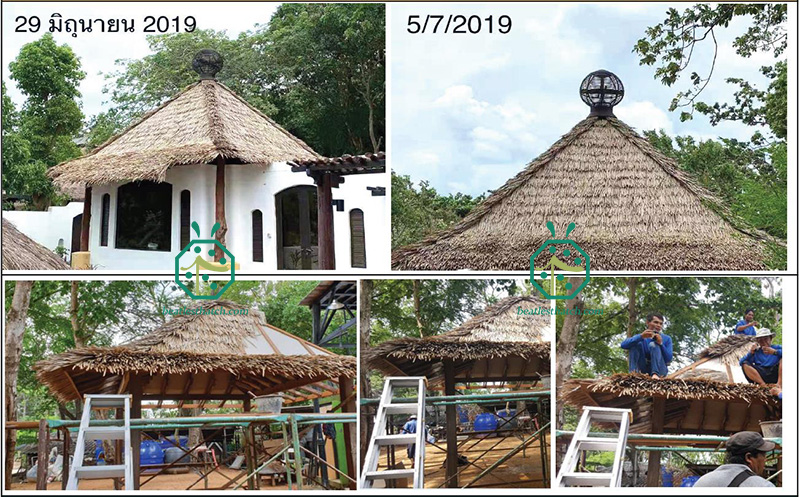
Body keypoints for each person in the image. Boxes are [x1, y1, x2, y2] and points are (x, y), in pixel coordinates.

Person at [693, 431, 776, 487]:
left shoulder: (703, 482)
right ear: (749, 457)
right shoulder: (762, 486)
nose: (765, 460)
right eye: (763, 455)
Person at [620, 313, 673, 379]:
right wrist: (641, 337)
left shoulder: (667, 338)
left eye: (661, 324)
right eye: (656, 322)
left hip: (660, 369)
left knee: (653, 345)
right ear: (647, 322)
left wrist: (661, 344)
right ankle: (633, 373)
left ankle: (655, 374)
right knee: (635, 344)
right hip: (643, 368)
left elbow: (669, 359)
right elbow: (623, 345)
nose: (658, 325)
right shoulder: (642, 336)